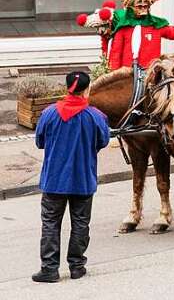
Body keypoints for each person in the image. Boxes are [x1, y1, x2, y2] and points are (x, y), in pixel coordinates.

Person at [33, 71, 110, 283]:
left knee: (50, 223)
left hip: (54, 181)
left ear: (67, 87)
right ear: (87, 90)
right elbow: (103, 141)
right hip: (83, 180)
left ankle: (49, 269)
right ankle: (76, 266)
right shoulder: (95, 116)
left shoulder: (49, 113)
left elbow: (39, 141)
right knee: (80, 223)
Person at [106, 0, 174, 71]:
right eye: (139, 6)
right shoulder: (123, 28)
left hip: (150, 71)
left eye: (146, 6)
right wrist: (114, 74)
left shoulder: (155, 26)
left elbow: (173, 32)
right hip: (127, 72)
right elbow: (116, 53)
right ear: (130, 8)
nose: (143, 9)